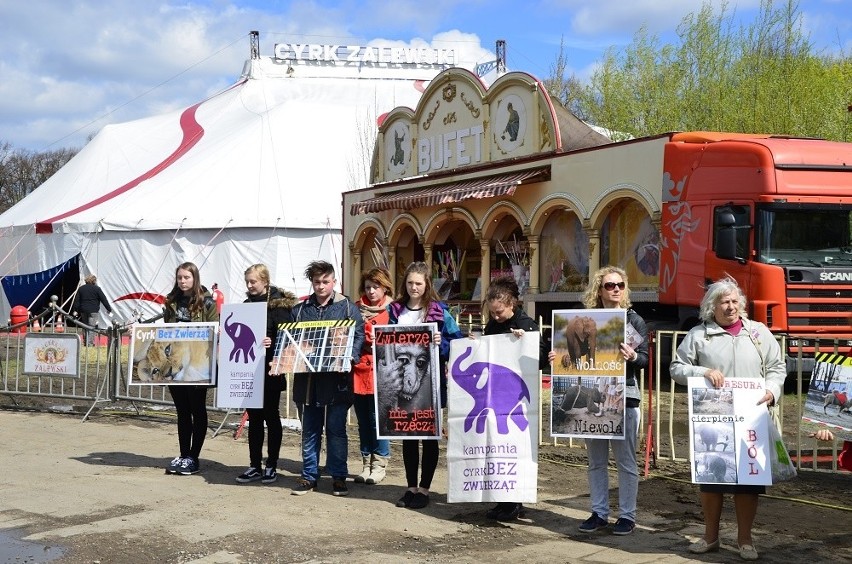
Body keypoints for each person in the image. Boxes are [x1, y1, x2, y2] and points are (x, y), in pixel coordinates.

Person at [670, 276, 785, 561]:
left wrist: (772, 391)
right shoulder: (699, 335)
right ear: (712, 306)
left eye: (735, 301)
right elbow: (676, 368)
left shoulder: (758, 333)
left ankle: (745, 540)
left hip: (752, 419)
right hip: (713, 420)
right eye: (724, 302)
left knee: (748, 482)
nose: (731, 307)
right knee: (712, 479)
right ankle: (710, 537)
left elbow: (776, 367)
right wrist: (702, 373)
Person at [553, 266, 647, 536]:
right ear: (599, 290)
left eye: (620, 284)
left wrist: (632, 357)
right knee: (595, 461)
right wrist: (557, 359)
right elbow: (572, 356)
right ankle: (599, 512)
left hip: (625, 398)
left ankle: (627, 516)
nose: (616, 288)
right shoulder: (583, 319)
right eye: (609, 285)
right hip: (593, 394)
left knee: (626, 462)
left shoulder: (634, 321)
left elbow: (644, 360)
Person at [388, 261, 464, 510]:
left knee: (429, 436)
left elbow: (457, 342)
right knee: (408, 435)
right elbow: (385, 341)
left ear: (427, 284)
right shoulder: (395, 310)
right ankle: (410, 487)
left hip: (432, 382)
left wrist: (441, 342)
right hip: (402, 383)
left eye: (418, 283)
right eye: (410, 283)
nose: (413, 287)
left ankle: (424, 488)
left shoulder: (440, 312)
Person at [289, 261, 365, 497]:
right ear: (312, 283)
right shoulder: (300, 310)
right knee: (310, 430)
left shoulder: (347, 308)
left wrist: (350, 356)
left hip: (337, 381)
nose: (321, 286)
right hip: (309, 381)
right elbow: (291, 340)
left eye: (325, 281)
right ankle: (309, 475)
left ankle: (339, 476)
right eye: (316, 282)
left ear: (334, 281)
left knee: (336, 430)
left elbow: (358, 335)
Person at [479, 276, 549, 521]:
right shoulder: (492, 325)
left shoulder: (526, 325)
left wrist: (524, 344)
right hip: (495, 395)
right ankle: (502, 499)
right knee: (496, 447)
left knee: (514, 449)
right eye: (492, 313)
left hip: (517, 399)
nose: (496, 317)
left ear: (512, 304)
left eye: (499, 312)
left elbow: (541, 360)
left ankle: (514, 501)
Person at [235, 264, 298, 485]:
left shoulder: (279, 306)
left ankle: (271, 463)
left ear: (265, 281)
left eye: (253, 281)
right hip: (249, 369)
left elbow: (289, 337)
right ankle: (254, 465)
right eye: (247, 282)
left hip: (271, 369)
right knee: (254, 418)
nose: (250, 286)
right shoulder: (246, 306)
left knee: (271, 416)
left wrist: (273, 343)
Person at [163, 262, 219, 475]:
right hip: (176, 363)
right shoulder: (171, 302)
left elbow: (215, 327)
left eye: (187, 277)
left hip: (197, 363)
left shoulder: (206, 303)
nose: (183, 281)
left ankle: (194, 456)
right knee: (182, 411)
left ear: (195, 278)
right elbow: (164, 330)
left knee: (197, 408)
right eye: (180, 277)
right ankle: (184, 453)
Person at [353, 267, 394, 485]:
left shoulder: (393, 310)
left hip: (383, 369)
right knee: (362, 420)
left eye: (375, 287)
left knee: (379, 419)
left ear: (385, 287)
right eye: (368, 287)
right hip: (359, 369)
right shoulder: (356, 308)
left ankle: (380, 463)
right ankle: (365, 461)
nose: (371, 291)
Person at [72, 274, 113, 346]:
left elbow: (77, 301)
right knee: (91, 327)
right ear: (94, 281)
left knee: (84, 326)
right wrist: (108, 309)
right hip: (93, 310)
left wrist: (76, 310)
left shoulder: (81, 289)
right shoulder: (97, 289)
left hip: (83, 310)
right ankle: (90, 343)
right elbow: (104, 299)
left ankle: (85, 342)